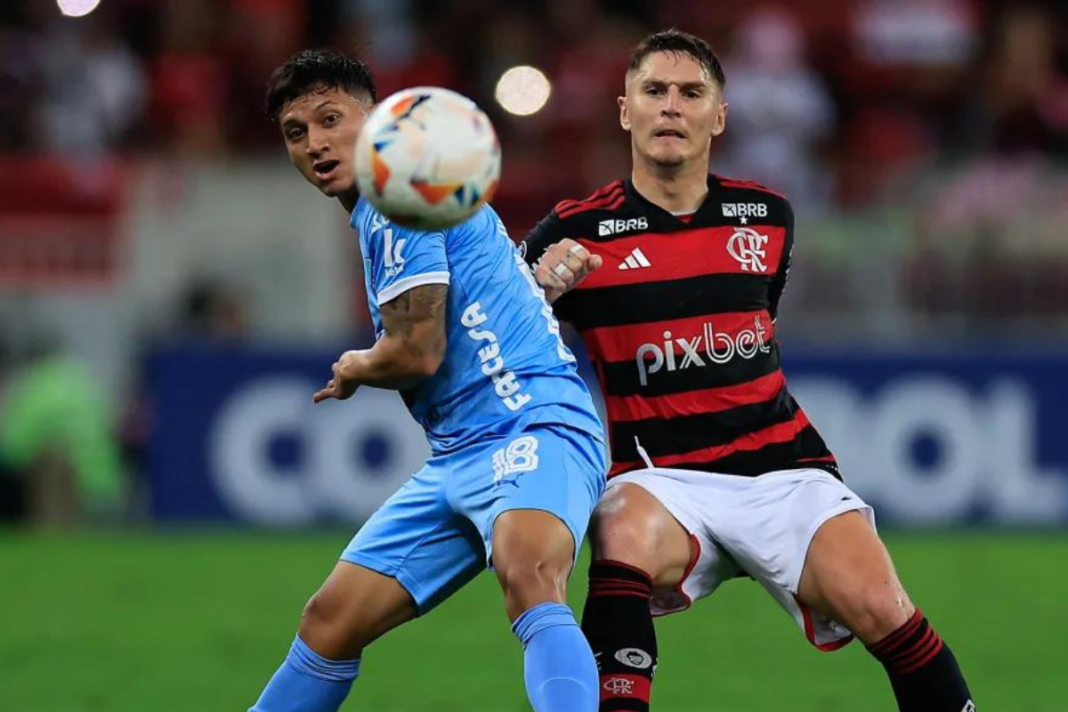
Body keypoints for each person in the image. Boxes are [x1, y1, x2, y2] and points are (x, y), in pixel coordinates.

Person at [524, 29, 975, 712]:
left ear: (719, 117)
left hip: (785, 471)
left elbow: (754, 321)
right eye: (654, 91)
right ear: (626, 111)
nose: (671, 107)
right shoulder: (572, 232)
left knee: (884, 606)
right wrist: (539, 294)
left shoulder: (767, 218)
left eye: (691, 93)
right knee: (619, 531)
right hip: (662, 476)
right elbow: (499, 347)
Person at [249, 49, 607, 712]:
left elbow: (416, 352)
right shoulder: (406, 192)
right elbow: (479, 299)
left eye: (331, 119)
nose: (316, 143)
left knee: (529, 575)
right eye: (297, 133)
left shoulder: (396, 198)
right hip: (458, 456)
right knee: (330, 622)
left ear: (379, 121)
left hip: (531, 423)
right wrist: (535, 285)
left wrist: (356, 365)